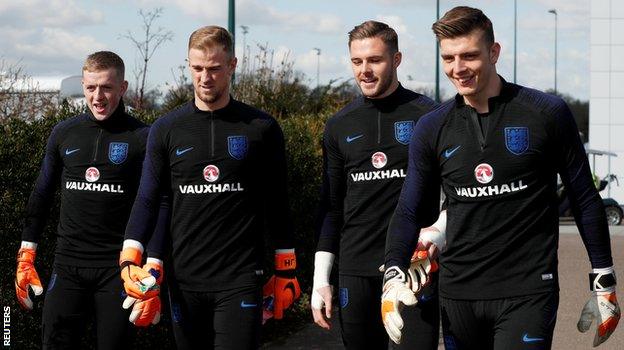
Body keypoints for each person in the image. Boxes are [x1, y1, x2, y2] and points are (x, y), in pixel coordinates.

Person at [382, 6, 620, 349]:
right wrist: (392, 274)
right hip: (459, 293)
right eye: (448, 58)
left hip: (528, 292)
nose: (458, 68)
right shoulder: (431, 127)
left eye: (469, 56)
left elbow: (584, 199)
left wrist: (604, 279)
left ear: (494, 52)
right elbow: (407, 210)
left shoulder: (547, 113)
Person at [119, 25, 300, 349]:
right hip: (184, 279)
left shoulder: (262, 128)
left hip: (241, 279)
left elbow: (277, 202)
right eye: (198, 68)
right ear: (189, 65)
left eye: (215, 68)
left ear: (232, 65)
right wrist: (130, 258)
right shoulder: (166, 129)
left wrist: (286, 267)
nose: (205, 77)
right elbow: (150, 198)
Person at [14, 51, 165, 349]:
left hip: (118, 271)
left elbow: (158, 203)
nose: (98, 96)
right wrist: (26, 254)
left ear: (122, 88)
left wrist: (154, 268)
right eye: (91, 87)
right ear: (82, 85)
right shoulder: (64, 133)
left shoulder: (143, 137)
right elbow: (42, 193)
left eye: (107, 87)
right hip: (67, 265)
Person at [312, 20, 442, 349]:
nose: (365, 71)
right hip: (355, 271)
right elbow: (331, 206)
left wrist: (437, 237)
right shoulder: (339, 125)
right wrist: (319, 280)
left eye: (375, 60)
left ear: (396, 60)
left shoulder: (430, 116)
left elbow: (452, 196)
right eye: (357, 62)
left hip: (414, 268)